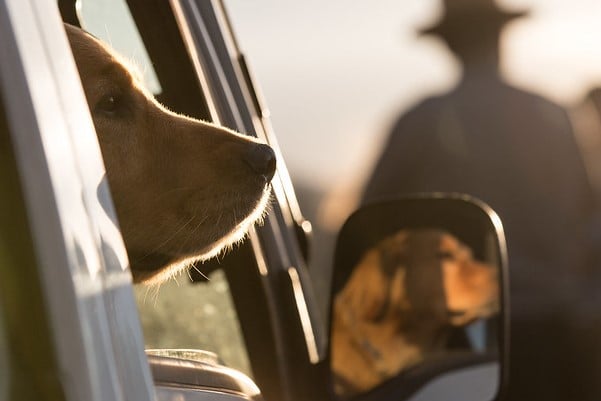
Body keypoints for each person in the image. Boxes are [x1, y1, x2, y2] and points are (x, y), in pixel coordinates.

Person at [362, 0, 601, 399]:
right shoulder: (552, 116)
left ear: (449, 45)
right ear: (501, 37)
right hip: (551, 334)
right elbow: (589, 217)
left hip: (453, 343)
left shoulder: (421, 121)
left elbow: (373, 223)